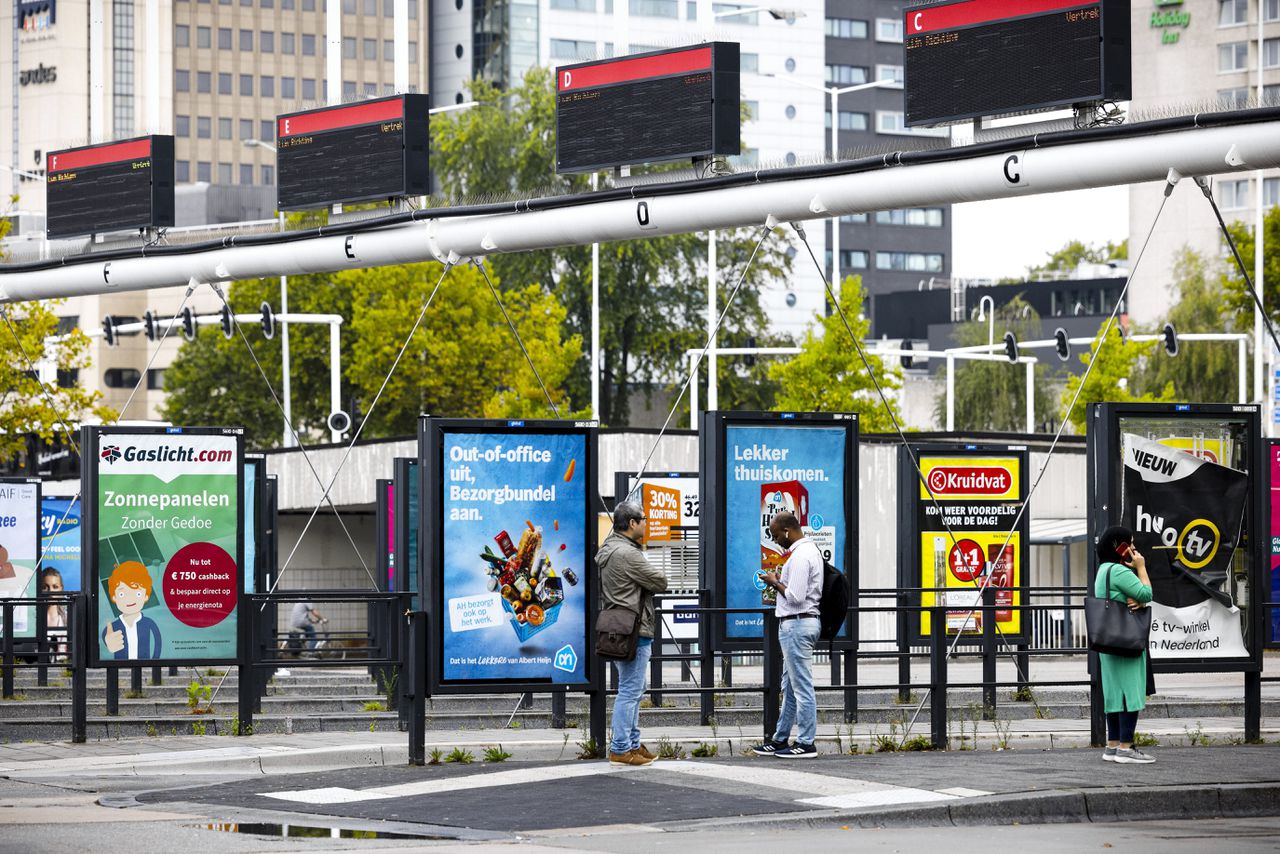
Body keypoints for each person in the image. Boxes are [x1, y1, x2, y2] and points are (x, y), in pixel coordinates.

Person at [596, 500, 668, 766]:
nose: (647, 523)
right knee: (630, 690)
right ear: (632, 523)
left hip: (618, 626)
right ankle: (621, 748)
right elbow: (661, 581)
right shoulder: (628, 554)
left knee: (635, 688)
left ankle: (633, 744)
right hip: (635, 628)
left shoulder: (609, 548)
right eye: (644, 518)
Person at [752, 511, 823, 759]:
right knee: (791, 686)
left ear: (786, 531)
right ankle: (780, 739)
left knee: (801, 686)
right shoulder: (806, 552)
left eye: (775, 534)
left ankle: (806, 743)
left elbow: (795, 597)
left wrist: (774, 582)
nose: (775, 540)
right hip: (799, 624)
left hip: (797, 624)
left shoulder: (802, 556)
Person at [1095, 525, 1155, 765]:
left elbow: (1129, 598)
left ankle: (1112, 745)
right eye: (1128, 544)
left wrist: (1137, 602)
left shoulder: (1104, 570)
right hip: (1126, 640)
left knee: (1114, 693)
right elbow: (1146, 593)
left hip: (1108, 640)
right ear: (1117, 546)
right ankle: (1126, 747)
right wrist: (1141, 567)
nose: (1133, 548)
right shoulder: (1121, 572)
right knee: (1131, 690)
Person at [103, 561, 162, 660]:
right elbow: (106, 638)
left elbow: (158, 642)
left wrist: (154, 661)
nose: (130, 599)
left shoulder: (149, 623)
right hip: (119, 668)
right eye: (122, 594)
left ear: (146, 596)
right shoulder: (113, 627)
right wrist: (108, 643)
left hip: (144, 665)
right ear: (114, 597)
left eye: (137, 593)